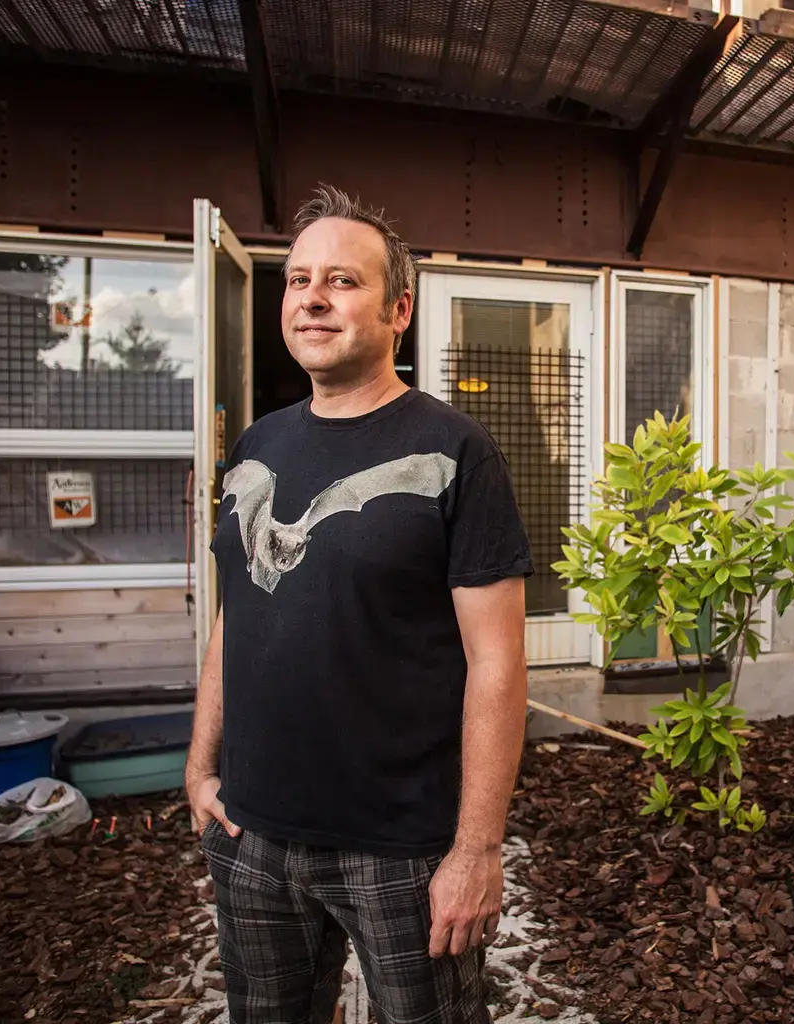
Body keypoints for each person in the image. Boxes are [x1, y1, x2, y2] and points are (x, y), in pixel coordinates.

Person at [184, 183, 532, 1024]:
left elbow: (498, 661)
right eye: (299, 279)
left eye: (342, 281)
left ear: (398, 308)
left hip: (401, 849)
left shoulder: (452, 450)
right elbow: (238, 613)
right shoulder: (259, 445)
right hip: (253, 834)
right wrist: (200, 767)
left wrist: (476, 850)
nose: (312, 297)